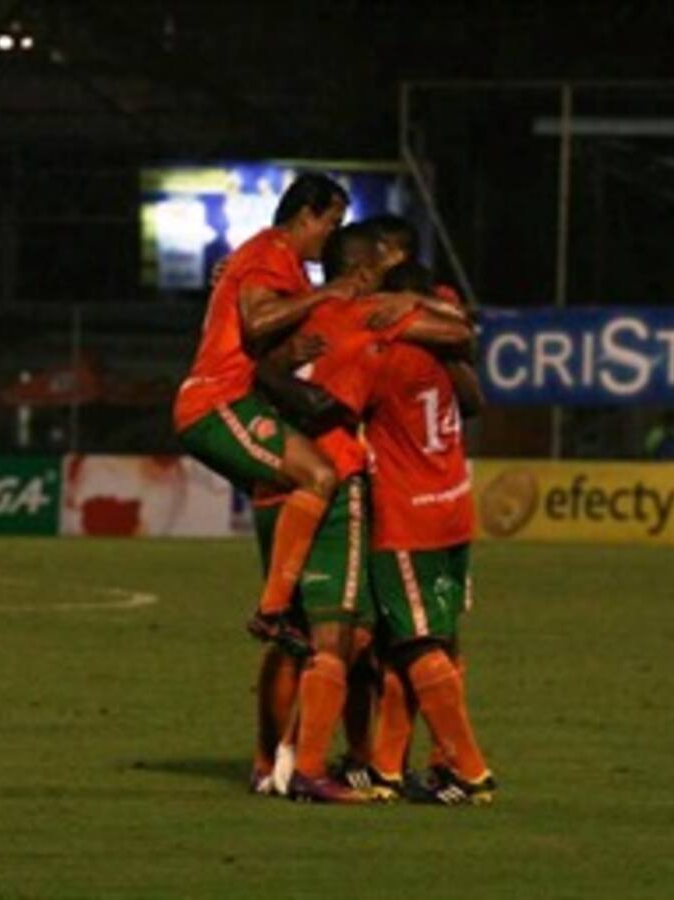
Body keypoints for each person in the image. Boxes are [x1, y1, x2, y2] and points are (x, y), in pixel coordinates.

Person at [249, 225, 473, 802]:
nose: (395, 264)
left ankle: (339, 761)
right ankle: (334, 764)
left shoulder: (304, 315)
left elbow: (275, 370)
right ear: (367, 268)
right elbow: (464, 358)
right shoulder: (371, 315)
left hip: (286, 479)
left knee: (345, 635)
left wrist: (276, 375)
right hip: (356, 488)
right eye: (389, 257)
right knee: (359, 636)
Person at [173, 173, 367, 654]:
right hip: (217, 401)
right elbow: (258, 323)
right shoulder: (269, 253)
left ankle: (285, 615)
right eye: (332, 222)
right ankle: (273, 610)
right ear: (305, 216)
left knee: (290, 492)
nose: (333, 234)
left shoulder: (283, 266)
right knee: (319, 477)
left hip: (242, 402)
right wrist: (326, 293)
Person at [355, 260, 496, 806]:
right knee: (421, 639)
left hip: (406, 514)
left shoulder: (388, 359)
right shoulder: (449, 352)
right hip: (454, 506)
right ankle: (389, 768)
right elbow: (476, 399)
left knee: (415, 644)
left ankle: (469, 771)